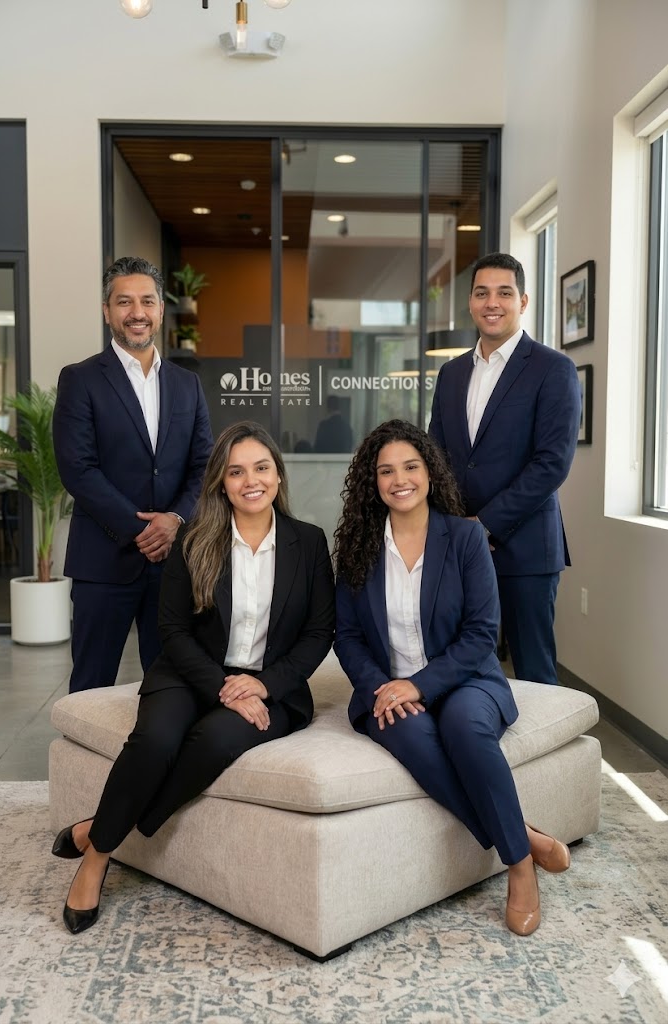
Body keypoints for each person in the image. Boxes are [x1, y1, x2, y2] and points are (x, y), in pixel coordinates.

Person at [52, 421, 335, 935]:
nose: (251, 480)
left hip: (271, 686)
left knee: (214, 740)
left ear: (278, 474)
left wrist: (265, 685)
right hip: (189, 672)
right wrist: (223, 686)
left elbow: (319, 633)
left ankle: (100, 834)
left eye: (261, 468)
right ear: (222, 483)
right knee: (155, 740)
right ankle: (97, 861)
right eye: (236, 471)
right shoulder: (194, 539)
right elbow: (173, 630)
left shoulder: (310, 543)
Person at [334, 420, 570, 936]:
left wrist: (419, 685)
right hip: (387, 689)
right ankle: (523, 841)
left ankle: (518, 869)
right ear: (372, 481)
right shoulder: (358, 546)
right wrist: (381, 688)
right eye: (386, 471)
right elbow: (347, 637)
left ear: (430, 472)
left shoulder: (464, 537)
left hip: (467, 682)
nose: (400, 479)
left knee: (464, 729)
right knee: (412, 733)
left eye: (410, 466)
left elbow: (482, 633)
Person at [53, 256, 213, 692]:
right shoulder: (80, 379)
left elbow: (204, 464)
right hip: (103, 561)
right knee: (91, 686)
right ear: (107, 311)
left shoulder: (187, 384)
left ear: (160, 310)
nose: (137, 312)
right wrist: (141, 529)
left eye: (147, 301)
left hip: (173, 563)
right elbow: (77, 468)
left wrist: (175, 520)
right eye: (124, 302)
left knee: (170, 685)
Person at [428, 253, 580, 685]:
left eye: (504, 293)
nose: (491, 302)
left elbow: (551, 463)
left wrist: (486, 523)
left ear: (523, 301)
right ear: (471, 302)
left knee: (533, 670)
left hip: (525, 546)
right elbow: (435, 455)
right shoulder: (451, 373)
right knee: (456, 663)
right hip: (457, 544)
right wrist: (451, 525)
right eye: (481, 293)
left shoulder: (553, 369)